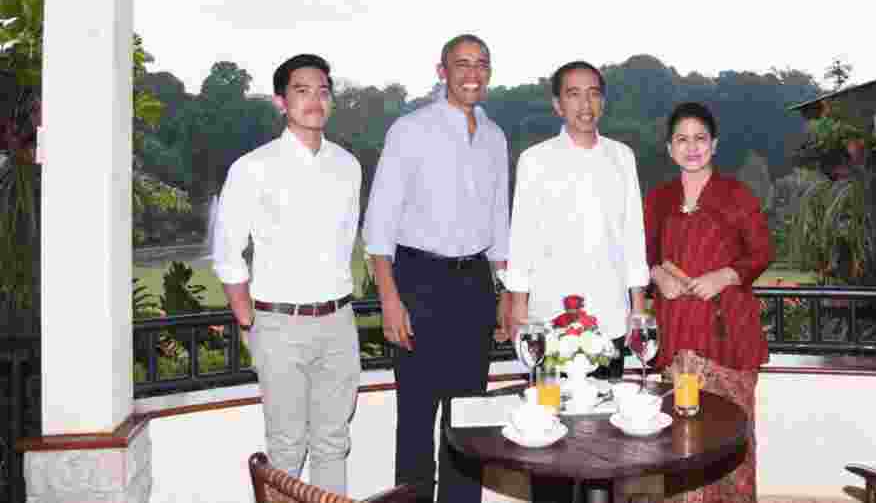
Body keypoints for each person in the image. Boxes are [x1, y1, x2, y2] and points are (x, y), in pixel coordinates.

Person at [363, 34, 510, 503]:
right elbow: (379, 226)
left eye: (481, 64)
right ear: (441, 71)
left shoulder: (494, 136)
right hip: (418, 281)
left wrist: (506, 294)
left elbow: (499, 225)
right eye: (461, 64)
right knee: (416, 420)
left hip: (473, 288)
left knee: (467, 422)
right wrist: (389, 298)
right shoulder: (410, 130)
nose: (473, 73)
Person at [212, 54, 362, 495]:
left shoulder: (348, 166)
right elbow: (227, 250)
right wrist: (247, 321)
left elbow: (344, 243)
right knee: (286, 447)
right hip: (279, 324)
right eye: (301, 90)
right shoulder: (253, 167)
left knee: (334, 441)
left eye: (322, 90)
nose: (314, 99)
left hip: (339, 322)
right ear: (281, 101)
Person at [503, 60, 648, 503]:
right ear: (557, 104)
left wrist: (638, 310)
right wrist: (521, 316)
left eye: (593, 93)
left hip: (609, 325)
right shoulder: (536, 160)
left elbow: (633, 238)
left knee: (608, 447)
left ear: (602, 100)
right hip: (549, 329)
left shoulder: (621, 157)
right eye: (573, 93)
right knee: (548, 447)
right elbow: (522, 239)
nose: (585, 103)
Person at [643, 102, 773, 503]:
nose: (692, 147)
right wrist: (657, 276)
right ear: (669, 149)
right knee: (678, 441)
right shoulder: (659, 199)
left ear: (714, 145)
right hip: (676, 328)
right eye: (682, 139)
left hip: (726, 333)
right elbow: (642, 255)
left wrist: (725, 276)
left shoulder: (736, 194)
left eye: (700, 138)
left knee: (728, 437)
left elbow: (762, 251)